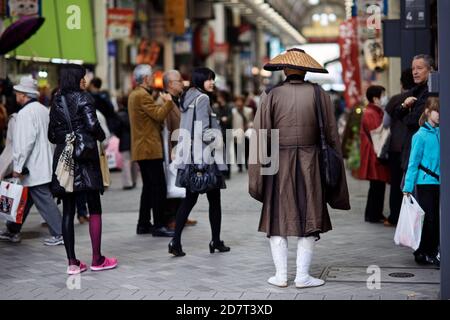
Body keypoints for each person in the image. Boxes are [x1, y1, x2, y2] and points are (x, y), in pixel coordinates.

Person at [249, 48, 350, 288]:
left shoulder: (271, 95)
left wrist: (258, 171)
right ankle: (303, 276)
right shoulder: (319, 94)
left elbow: (260, 135)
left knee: (277, 218)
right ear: (305, 71)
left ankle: (281, 276)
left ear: (284, 69)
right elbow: (332, 136)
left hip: (278, 162)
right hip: (311, 162)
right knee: (310, 215)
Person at [49, 64, 117, 274]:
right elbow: (93, 125)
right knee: (94, 206)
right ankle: (97, 259)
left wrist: (67, 138)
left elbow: (52, 135)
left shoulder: (56, 101)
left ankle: (72, 263)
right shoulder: (84, 98)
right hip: (86, 159)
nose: (85, 80)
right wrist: (101, 136)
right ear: (76, 78)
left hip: (65, 160)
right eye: (83, 77)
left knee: (68, 211)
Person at [168, 67, 230, 257]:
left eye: (213, 79)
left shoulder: (187, 97)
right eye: (209, 79)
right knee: (214, 201)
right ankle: (215, 241)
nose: (212, 82)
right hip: (204, 157)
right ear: (200, 79)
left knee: (189, 200)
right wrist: (219, 137)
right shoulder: (203, 99)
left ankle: (176, 241)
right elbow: (203, 132)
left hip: (190, 157)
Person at [0, 76, 63, 246]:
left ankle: (60, 233)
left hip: (33, 166)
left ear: (23, 95)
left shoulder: (25, 114)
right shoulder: (43, 109)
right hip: (44, 163)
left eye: (18, 93)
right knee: (26, 199)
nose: (16, 96)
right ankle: (12, 230)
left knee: (43, 199)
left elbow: (24, 143)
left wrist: (18, 167)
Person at [128, 64, 175, 237]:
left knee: (148, 188)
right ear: (146, 78)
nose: (153, 78)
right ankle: (159, 224)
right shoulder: (142, 96)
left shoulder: (135, 95)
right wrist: (168, 103)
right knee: (158, 188)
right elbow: (158, 115)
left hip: (142, 147)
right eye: (151, 76)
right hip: (149, 148)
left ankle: (143, 224)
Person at [403, 97, 440, 267]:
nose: (439, 114)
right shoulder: (420, 136)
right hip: (425, 182)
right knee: (429, 219)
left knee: (436, 219)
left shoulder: (442, 132)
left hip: (440, 183)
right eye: (436, 110)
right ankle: (426, 252)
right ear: (427, 112)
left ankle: (428, 251)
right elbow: (413, 163)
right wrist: (408, 187)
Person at [162, 70, 197, 230]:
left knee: (182, 182)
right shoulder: (165, 101)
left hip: (183, 148)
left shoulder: (179, 100)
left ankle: (182, 215)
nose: (182, 83)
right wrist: (169, 150)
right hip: (173, 148)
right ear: (169, 84)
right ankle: (171, 218)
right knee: (173, 184)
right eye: (178, 80)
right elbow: (166, 129)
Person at [384, 68, 415, 226]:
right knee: (413, 183)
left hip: (396, 147)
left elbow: (385, 123)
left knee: (396, 183)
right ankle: (411, 218)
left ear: (401, 82)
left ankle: (395, 217)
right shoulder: (421, 98)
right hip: (414, 146)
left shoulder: (395, 99)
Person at [393, 55, 433, 172]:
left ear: (430, 70)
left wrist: (405, 110)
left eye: (419, 68)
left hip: (423, 151)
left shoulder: (430, 92)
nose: (415, 72)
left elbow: (414, 120)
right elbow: (397, 113)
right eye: (413, 69)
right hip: (412, 147)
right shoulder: (415, 91)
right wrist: (405, 106)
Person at [359, 85, 390, 223]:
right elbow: (377, 134)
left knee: (377, 185)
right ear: (375, 98)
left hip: (374, 153)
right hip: (375, 154)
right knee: (377, 185)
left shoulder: (375, 111)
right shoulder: (371, 113)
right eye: (383, 95)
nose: (385, 98)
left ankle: (374, 213)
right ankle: (373, 214)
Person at [116, 95, 139, 190]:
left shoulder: (119, 115)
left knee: (126, 162)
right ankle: (134, 181)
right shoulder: (134, 113)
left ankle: (127, 183)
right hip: (134, 139)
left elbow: (117, 129)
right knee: (134, 162)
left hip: (124, 140)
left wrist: (120, 135)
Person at [232, 95, 254, 172]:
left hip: (246, 133)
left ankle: (246, 162)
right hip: (237, 132)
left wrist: (251, 124)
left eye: (240, 101)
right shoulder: (233, 111)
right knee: (237, 149)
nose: (239, 102)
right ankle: (239, 165)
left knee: (247, 149)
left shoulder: (249, 110)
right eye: (237, 101)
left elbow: (251, 120)